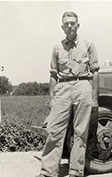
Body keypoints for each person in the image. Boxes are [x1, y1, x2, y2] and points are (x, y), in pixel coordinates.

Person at [36, 11, 100, 177]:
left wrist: (94, 98)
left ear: (78, 25)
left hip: (83, 85)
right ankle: (48, 172)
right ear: (62, 27)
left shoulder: (88, 45)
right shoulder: (57, 48)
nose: (70, 26)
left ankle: (76, 171)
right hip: (62, 88)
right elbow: (52, 74)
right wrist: (52, 98)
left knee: (80, 132)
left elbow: (95, 72)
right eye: (66, 23)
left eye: (72, 23)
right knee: (54, 130)